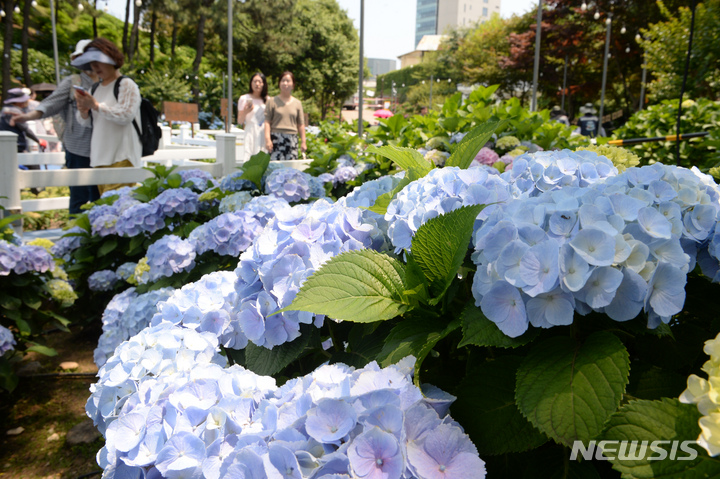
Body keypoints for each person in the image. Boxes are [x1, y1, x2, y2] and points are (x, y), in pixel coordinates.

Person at [10, 39, 100, 214]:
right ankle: (78, 238)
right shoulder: (72, 81)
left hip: (106, 149)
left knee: (102, 197)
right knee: (79, 197)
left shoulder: (108, 82)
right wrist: (27, 116)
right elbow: (49, 105)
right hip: (78, 148)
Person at [71, 37, 142, 195]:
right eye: (91, 62)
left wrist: (96, 106)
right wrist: (83, 110)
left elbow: (125, 115)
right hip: (99, 157)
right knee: (107, 210)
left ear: (112, 60)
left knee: (117, 209)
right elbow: (86, 122)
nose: (94, 66)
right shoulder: (95, 88)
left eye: (98, 60)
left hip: (122, 156)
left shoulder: (126, 84)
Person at [264, 71, 306, 161]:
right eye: (283, 81)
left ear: (293, 85)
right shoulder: (271, 101)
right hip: (276, 138)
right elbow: (267, 122)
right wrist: (268, 139)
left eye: (288, 81)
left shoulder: (297, 103)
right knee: (275, 168)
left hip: (292, 139)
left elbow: (301, 125)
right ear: (279, 84)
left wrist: (303, 142)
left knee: (291, 168)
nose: (285, 83)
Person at [0, 88, 47, 154]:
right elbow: (25, 129)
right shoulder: (14, 111)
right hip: (17, 145)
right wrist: (38, 141)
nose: (25, 102)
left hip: (5, 145)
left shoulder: (5, 110)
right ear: (17, 102)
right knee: (31, 163)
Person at [237, 72, 267, 162]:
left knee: (262, 157)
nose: (257, 84)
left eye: (260, 82)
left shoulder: (268, 100)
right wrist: (246, 111)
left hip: (263, 131)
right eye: (255, 81)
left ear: (264, 84)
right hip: (250, 131)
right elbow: (239, 121)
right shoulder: (244, 98)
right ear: (251, 83)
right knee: (249, 155)